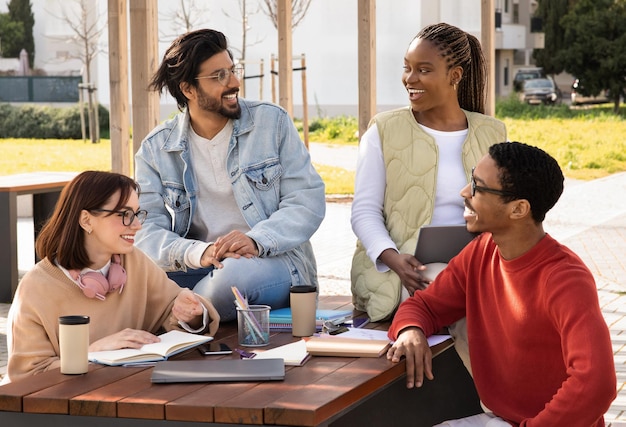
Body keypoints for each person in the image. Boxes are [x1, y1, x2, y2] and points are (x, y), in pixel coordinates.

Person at [387, 142, 616, 426]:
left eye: (477, 187)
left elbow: (596, 383)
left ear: (519, 209)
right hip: (499, 419)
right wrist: (411, 330)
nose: (464, 192)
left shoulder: (566, 280)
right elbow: (425, 306)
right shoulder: (481, 252)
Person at [134, 29, 326, 322]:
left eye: (232, 71)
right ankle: (183, 313)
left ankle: (184, 314)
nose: (234, 82)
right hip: (197, 264)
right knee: (130, 283)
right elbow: (145, 232)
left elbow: (307, 201)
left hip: (270, 261)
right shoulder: (156, 148)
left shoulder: (271, 122)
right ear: (188, 89)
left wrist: (256, 240)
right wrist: (201, 252)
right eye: (219, 76)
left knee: (229, 280)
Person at [350, 22, 507, 323]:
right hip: (404, 271)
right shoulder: (384, 130)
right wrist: (394, 259)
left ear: (455, 76)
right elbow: (364, 211)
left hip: (477, 262)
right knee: (447, 284)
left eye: (423, 70)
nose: (410, 78)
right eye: (407, 68)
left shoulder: (491, 133)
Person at [4, 171, 219, 384]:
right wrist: (93, 352)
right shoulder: (36, 288)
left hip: (131, 393)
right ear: (86, 220)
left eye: (136, 214)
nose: (137, 225)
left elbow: (178, 309)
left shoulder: (135, 262)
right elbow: (27, 378)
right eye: (124, 215)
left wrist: (190, 314)